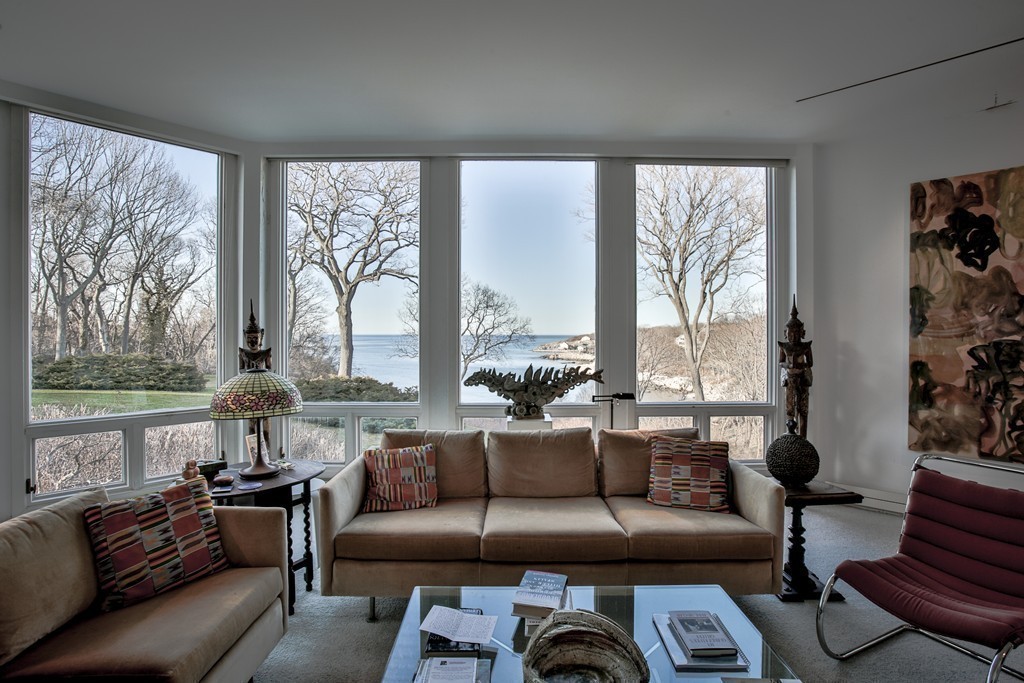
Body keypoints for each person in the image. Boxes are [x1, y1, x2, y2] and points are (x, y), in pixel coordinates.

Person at [239, 301, 273, 449]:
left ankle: (267, 454)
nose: (252, 341)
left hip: (264, 392)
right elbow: (241, 371)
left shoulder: (266, 353)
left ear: (261, 336)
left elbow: (270, 371)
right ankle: (254, 457)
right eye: (249, 338)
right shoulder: (242, 353)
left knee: (265, 428)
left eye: (255, 338)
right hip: (249, 392)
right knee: (251, 428)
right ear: (244, 336)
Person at [779, 299, 813, 438]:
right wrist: (789, 365)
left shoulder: (806, 347)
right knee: (790, 409)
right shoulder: (784, 347)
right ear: (786, 333)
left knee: (803, 410)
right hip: (789, 378)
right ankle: (791, 439)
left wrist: (801, 366)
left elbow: (810, 362)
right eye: (790, 333)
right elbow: (781, 362)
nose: (793, 336)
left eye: (796, 333)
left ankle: (803, 439)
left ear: (801, 332)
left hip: (802, 379)